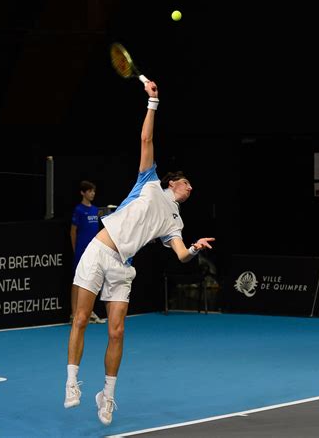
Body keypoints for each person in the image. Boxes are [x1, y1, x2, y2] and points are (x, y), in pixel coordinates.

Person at [63, 79, 215, 426]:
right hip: (99, 251)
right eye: (187, 183)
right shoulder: (148, 181)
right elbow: (146, 139)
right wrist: (153, 102)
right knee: (82, 319)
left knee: (116, 332)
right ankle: (72, 382)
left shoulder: (175, 220)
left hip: (122, 267)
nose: (191, 188)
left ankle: (108, 396)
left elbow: (180, 255)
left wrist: (193, 247)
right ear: (172, 182)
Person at [70, 180, 106, 324]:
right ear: (82, 193)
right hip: (80, 251)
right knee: (77, 282)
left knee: (92, 281)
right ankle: (74, 314)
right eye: (90, 191)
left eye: (94, 191)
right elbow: (73, 232)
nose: (92, 194)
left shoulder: (95, 210)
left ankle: (88, 312)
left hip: (94, 252)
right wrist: (76, 250)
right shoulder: (78, 210)